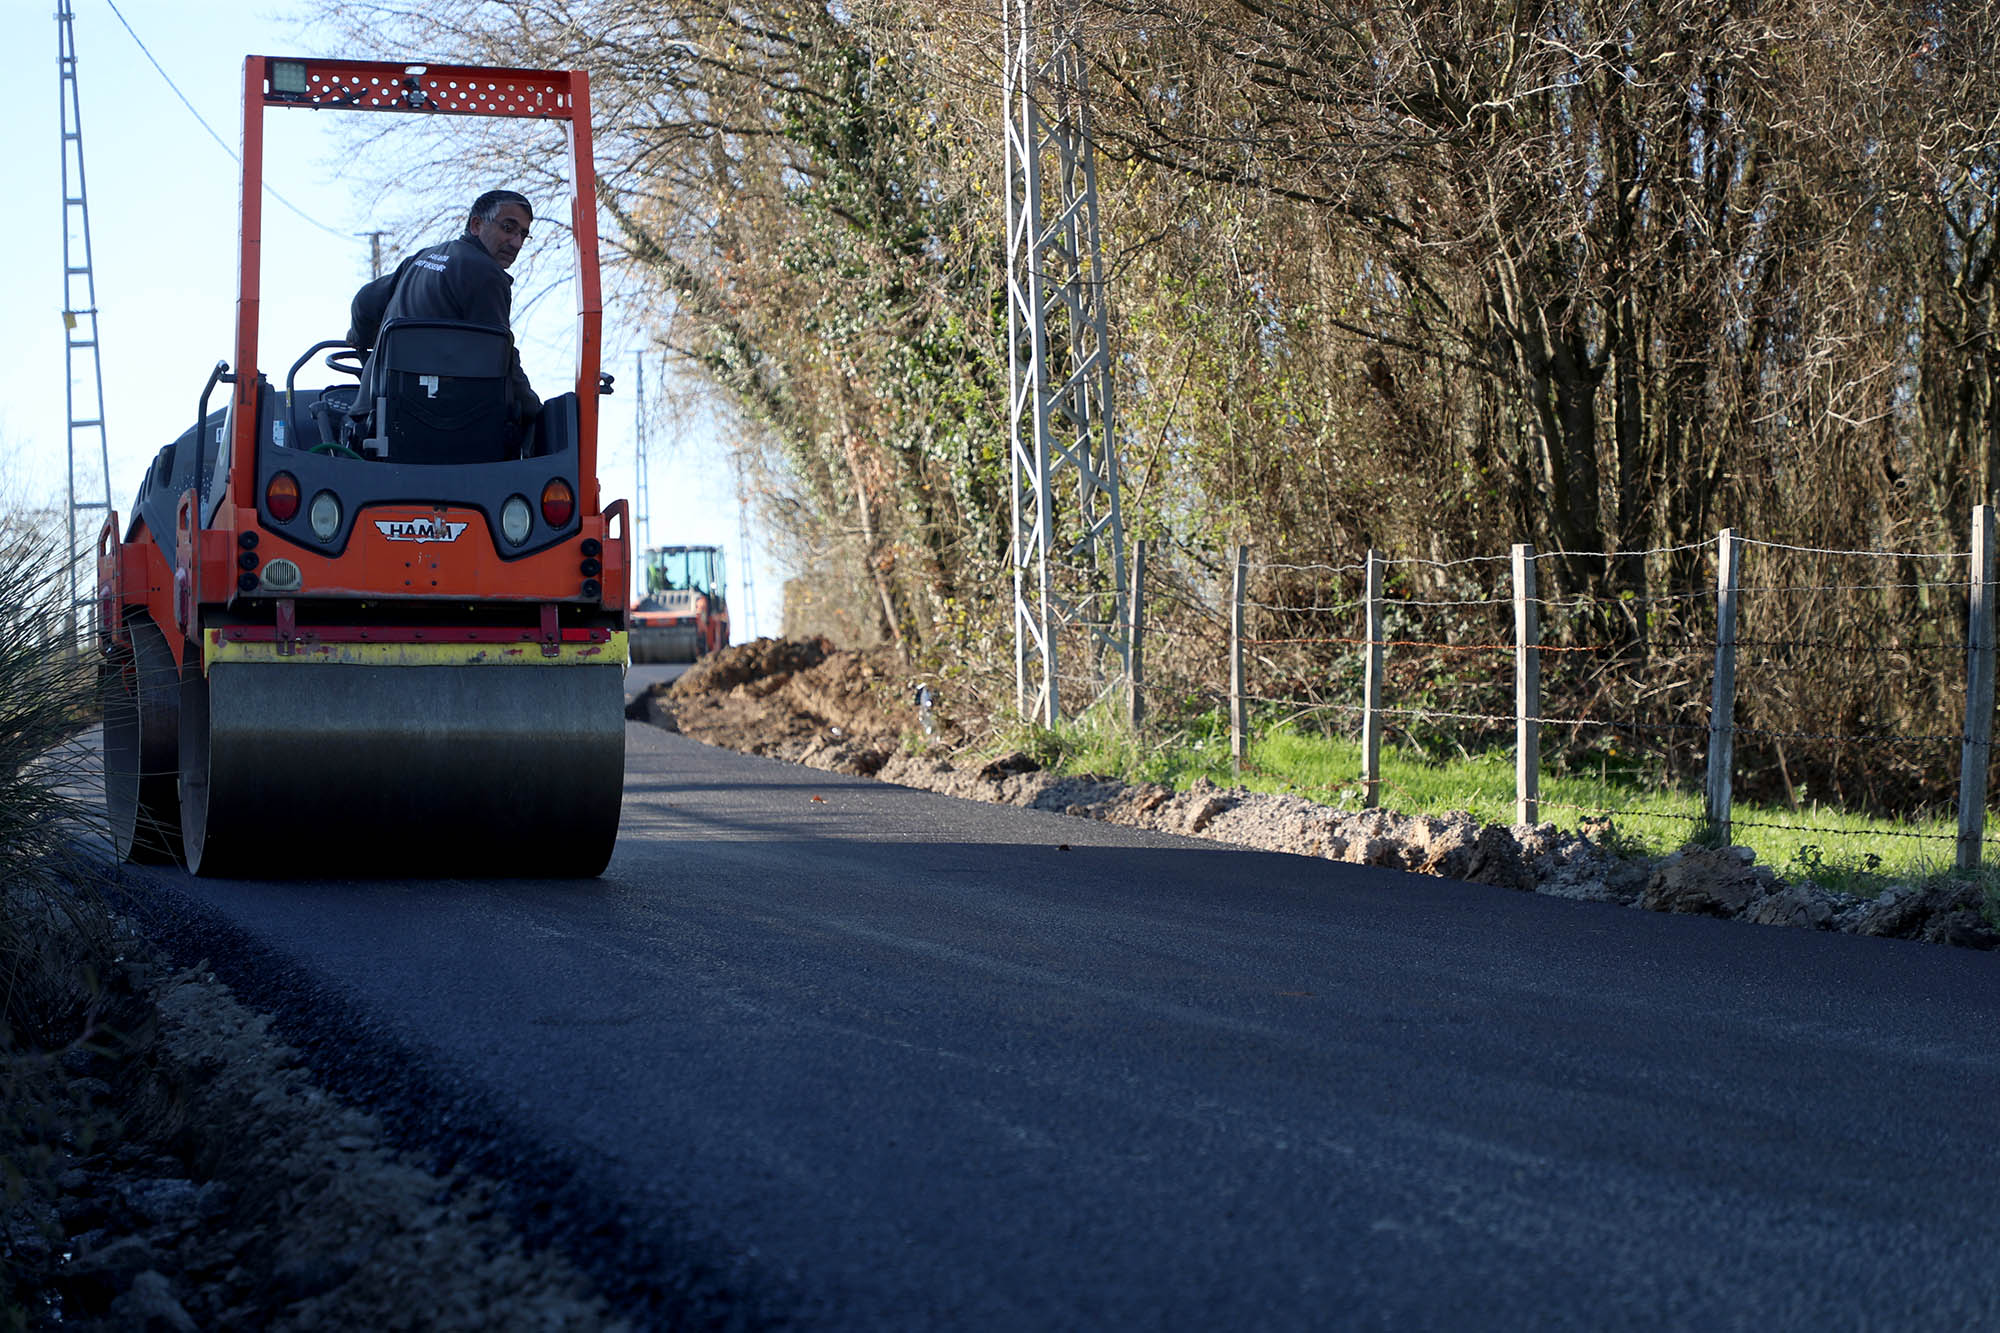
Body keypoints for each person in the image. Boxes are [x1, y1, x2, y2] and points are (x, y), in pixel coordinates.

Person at [343, 188, 542, 443]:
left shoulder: (422, 258)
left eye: (523, 234)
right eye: (508, 228)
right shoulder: (486, 276)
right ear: (476, 225)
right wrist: (533, 410)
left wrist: (361, 342)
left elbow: (364, 302)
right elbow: (500, 356)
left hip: (370, 417)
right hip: (443, 430)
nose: (516, 243)